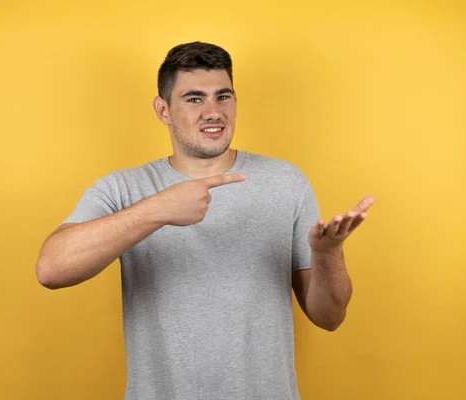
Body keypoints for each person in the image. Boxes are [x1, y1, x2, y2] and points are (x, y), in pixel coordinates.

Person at [35, 41, 374, 400]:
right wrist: (159, 209)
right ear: (163, 110)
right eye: (194, 99)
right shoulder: (125, 188)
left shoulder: (286, 181)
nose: (213, 112)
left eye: (222, 97)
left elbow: (330, 317)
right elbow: (52, 269)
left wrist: (327, 253)